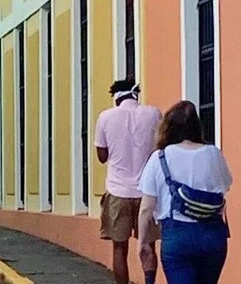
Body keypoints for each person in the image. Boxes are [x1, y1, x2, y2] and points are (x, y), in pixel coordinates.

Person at [137, 101, 233, 284]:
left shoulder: (159, 158)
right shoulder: (213, 153)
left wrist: (142, 242)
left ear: (167, 128)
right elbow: (225, 185)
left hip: (177, 237)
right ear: (197, 126)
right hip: (213, 235)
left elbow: (146, 209)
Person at [94, 78, 161, 284]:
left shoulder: (105, 117)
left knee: (119, 248)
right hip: (147, 193)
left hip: (118, 191)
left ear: (116, 98)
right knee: (148, 245)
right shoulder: (154, 114)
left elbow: (102, 156)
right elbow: (161, 148)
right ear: (135, 95)